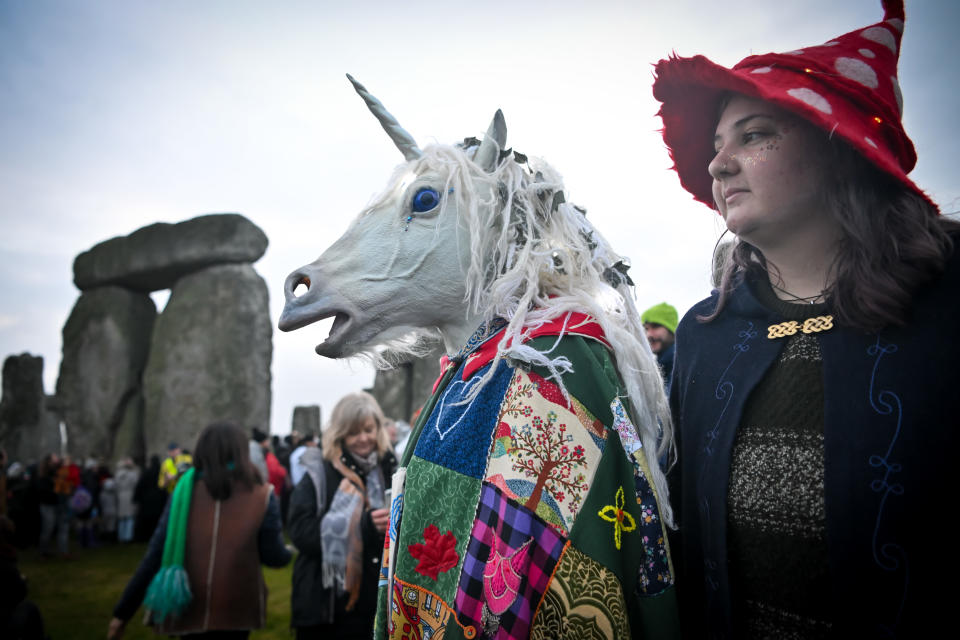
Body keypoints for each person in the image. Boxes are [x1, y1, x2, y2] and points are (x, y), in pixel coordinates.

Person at [652, 1, 960, 636]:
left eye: (754, 134)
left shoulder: (949, 305)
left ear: (839, 146)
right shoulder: (702, 335)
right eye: (715, 146)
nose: (718, 165)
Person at [108, 422, 292, 639]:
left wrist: (122, 613)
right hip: (236, 610)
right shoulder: (262, 495)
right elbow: (273, 556)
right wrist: (288, 553)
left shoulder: (182, 493)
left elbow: (155, 554)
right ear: (241, 452)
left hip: (188, 605)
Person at [287, 392, 396, 640]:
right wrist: (363, 526)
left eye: (368, 429)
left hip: (374, 603)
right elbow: (301, 533)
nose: (363, 438)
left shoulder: (388, 469)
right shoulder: (319, 474)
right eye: (353, 432)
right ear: (339, 433)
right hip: (327, 604)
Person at [641, 302, 679, 385]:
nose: (649, 334)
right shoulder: (661, 367)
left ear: (671, 329)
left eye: (655, 326)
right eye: (646, 329)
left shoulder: (682, 366)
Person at [114, 458, 139, 544]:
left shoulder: (117, 474)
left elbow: (116, 485)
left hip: (121, 496)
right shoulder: (132, 474)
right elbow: (136, 484)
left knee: (122, 518)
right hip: (130, 495)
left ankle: (121, 537)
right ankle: (128, 537)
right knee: (129, 518)